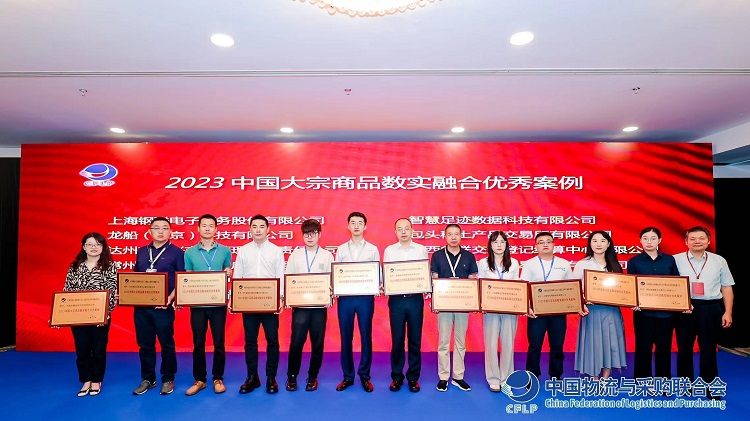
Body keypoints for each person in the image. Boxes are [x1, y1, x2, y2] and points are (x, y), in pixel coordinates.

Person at [673, 226, 734, 387]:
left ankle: (709, 384)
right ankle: (685, 385)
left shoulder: (719, 260)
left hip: (711, 308)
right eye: (692, 239)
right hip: (685, 309)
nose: (697, 241)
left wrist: (728, 312)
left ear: (708, 241)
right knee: (684, 348)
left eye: (701, 238)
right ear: (686, 242)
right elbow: (668, 286)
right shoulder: (675, 260)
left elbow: (727, 286)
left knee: (709, 347)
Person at [233, 214, 286, 394]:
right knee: (250, 341)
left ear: (268, 229)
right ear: (250, 229)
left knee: (272, 340)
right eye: (254, 226)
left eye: (261, 226)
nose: (258, 230)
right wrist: (236, 300)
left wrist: (280, 299)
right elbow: (238, 276)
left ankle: (271, 378)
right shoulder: (243, 250)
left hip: (269, 304)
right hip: (248, 303)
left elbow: (280, 276)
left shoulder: (276, 251)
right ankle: (252, 377)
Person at [132, 217, 185, 395]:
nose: (161, 231)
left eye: (165, 228)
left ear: (171, 232)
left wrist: (169, 299)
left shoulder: (177, 253)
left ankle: (168, 378)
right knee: (145, 345)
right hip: (142, 308)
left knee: (166, 344)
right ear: (149, 231)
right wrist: (125, 293)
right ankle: (148, 379)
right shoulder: (141, 252)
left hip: (164, 307)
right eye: (156, 228)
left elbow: (181, 279)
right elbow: (134, 278)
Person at [183, 214, 233, 396]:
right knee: (198, 343)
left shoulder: (225, 251)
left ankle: (218, 378)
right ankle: (200, 379)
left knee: (219, 342)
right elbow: (187, 277)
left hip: (218, 304)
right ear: (198, 228)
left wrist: (228, 273)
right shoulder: (189, 252)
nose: (207, 228)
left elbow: (227, 273)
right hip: (198, 305)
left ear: (216, 229)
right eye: (204, 225)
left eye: (211, 226)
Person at [63, 232, 117, 397]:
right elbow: (67, 291)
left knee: (98, 349)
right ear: (84, 246)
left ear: (103, 247)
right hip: (78, 316)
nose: (94, 247)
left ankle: (96, 380)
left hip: (101, 317)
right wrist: (61, 314)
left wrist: (105, 314)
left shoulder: (109, 266)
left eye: (98, 244)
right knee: (82, 349)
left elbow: (112, 291)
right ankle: (85, 380)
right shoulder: (75, 266)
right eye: (90, 244)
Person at [284, 219, 334, 392]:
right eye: (306, 234)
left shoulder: (327, 255)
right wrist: (288, 297)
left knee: (317, 344)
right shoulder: (295, 255)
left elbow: (332, 279)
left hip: (319, 308)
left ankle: (313, 376)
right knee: (296, 343)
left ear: (319, 234)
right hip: (300, 308)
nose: (309, 237)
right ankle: (292, 376)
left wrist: (330, 290)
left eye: (313, 233)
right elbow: (288, 278)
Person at [334, 211, 380, 393]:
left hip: (365, 298)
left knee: (366, 336)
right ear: (348, 226)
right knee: (346, 337)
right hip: (345, 298)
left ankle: (365, 376)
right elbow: (336, 273)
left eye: (360, 222)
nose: (356, 226)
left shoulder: (372, 249)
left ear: (365, 226)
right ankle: (348, 376)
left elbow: (377, 273)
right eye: (353, 222)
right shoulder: (341, 249)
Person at [627, 227, 680, 379]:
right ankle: (642, 380)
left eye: (653, 238)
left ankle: (662, 380)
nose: (649, 242)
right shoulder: (634, 261)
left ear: (659, 240)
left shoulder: (669, 260)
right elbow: (630, 286)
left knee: (664, 348)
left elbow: (677, 283)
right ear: (640, 241)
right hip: (643, 313)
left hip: (666, 313)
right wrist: (633, 301)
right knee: (643, 347)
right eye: (645, 238)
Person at [520, 232, 574, 380]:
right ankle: (532, 375)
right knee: (534, 346)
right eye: (541, 242)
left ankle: (556, 376)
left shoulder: (564, 264)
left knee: (557, 346)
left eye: (548, 242)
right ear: (536, 246)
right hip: (536, 313)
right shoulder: (529, 264)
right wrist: (528, 307)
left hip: (558, 313)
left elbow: (571, 286)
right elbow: (524, 287)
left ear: (553, 244)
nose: (545, 244)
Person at [430, 223, 478, 392]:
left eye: (456, 234)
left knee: (460, 342)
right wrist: (435, 302)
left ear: (461, 236)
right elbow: (434, 279)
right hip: (444, 305)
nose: (453, 237)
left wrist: (472, 302)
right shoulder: (437, 256)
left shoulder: (469, 256)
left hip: (462, 305)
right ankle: (443, 377)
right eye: (450, 234)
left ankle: (458, 376)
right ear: (445, 236)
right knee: (443, 341)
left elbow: (472, 280)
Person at [572, 230, 626, 379]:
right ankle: (595, 377)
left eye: (602, 241)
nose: (598, 244)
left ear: (608, 244)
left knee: (610, 343)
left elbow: (622, 289)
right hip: (592, 311)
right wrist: (581, 303)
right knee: (593, 343)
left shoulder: (615, 265)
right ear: (590, 244)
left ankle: (606, 377)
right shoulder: (582, 264)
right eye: (594, 241)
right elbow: (575, 288)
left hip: (612, 311)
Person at [383, 218, 429, 393]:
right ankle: (396, 377)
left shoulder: (421, 249)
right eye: (400, 229)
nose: (403, 232)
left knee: (415, 341)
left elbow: (424, 274)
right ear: (395, 232)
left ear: (412, 230)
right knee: (397, 341)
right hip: (396, 301)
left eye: (406, 228)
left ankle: (413, 378)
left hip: (415, 299)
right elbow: (386, 274)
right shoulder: (389, 250)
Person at [478, 230, 520, 393]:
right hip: (490, 309)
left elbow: (518, 286)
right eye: (495, 242)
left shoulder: (514, 263)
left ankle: (507, 378)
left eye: (502, 242)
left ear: (507, 245)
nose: (499, 245)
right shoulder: (483, 263)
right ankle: (494, 379)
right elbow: (480, 284)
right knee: (491, 344)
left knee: (508, 343)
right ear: (490, 245)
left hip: (509, 309)